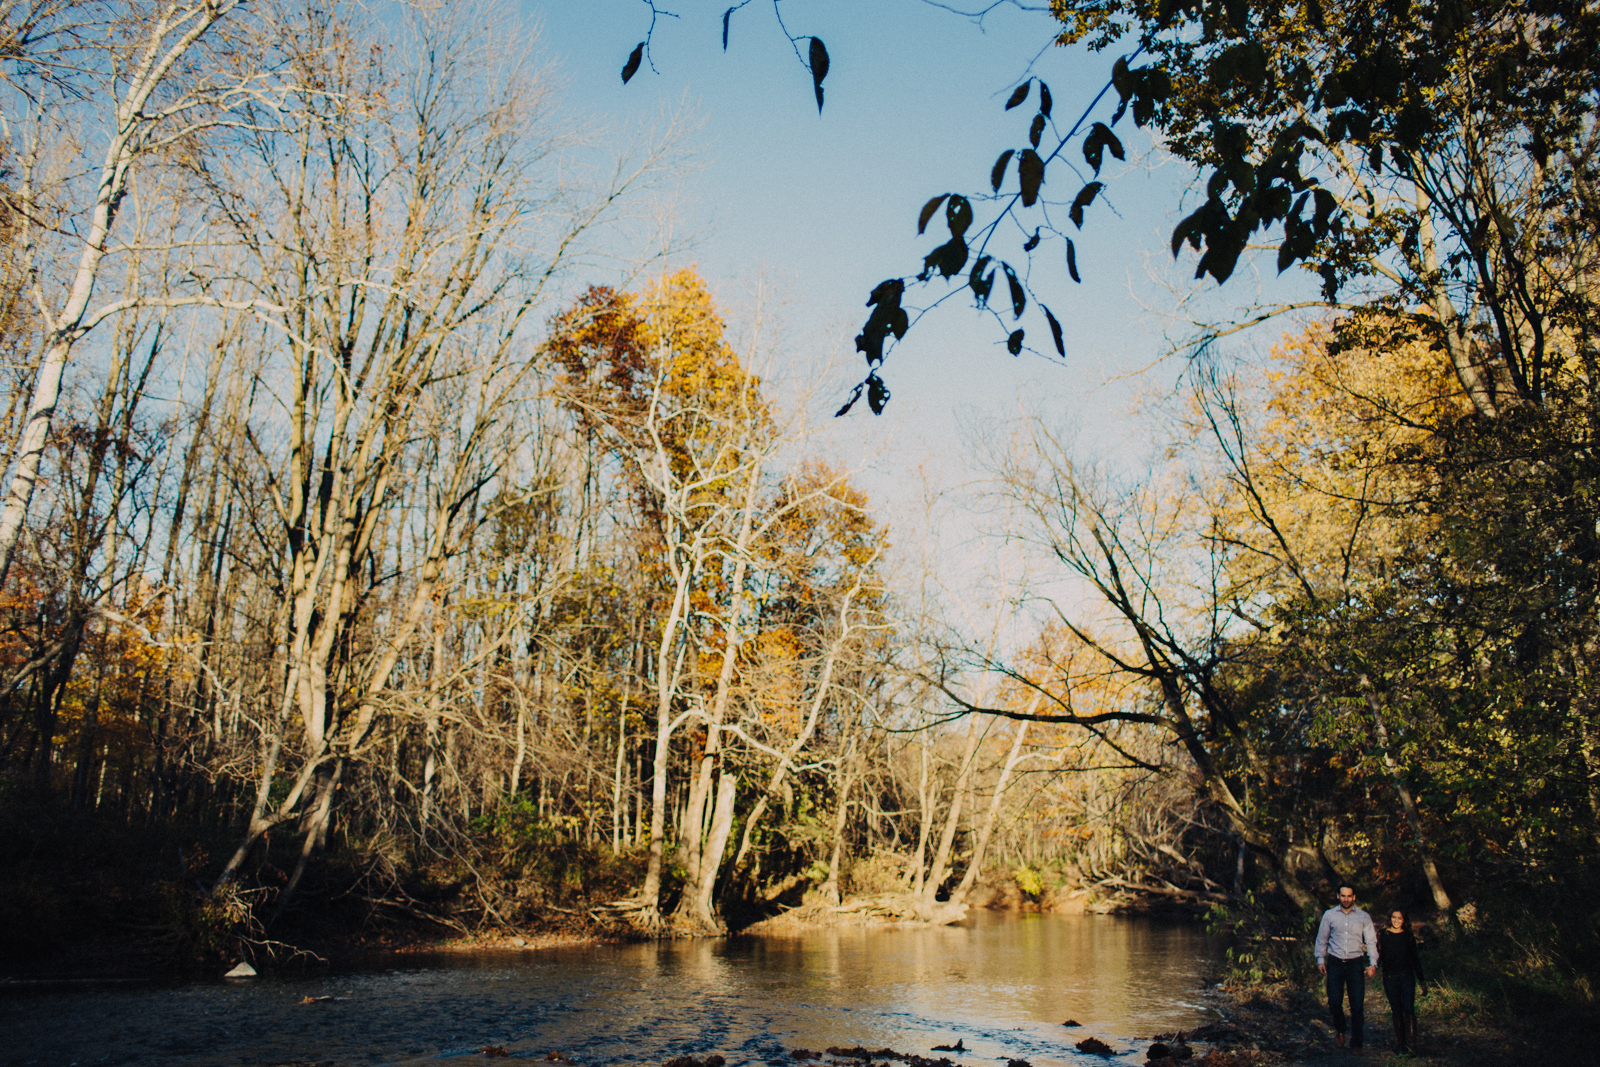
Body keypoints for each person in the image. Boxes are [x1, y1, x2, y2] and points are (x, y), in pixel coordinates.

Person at [1315, 884, 1379, 1050]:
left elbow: (1371, 941)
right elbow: (1322, 938)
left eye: (1349, 896)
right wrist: (1320, 959)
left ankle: (1357, 1041)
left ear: (1354, 897)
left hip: (1355, 963)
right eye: (1343, 896)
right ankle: (1341, 1029)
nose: (1346, 899)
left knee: (1357, 1005)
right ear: (1338, 896)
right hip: (1335, 962)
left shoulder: (1363, 917)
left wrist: (1373, 963)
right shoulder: (1329, 915)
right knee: (1334, 1001)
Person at [1378, 908, 1428, 1053]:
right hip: (1389, 977)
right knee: (1396, 1010)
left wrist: (1422, 981)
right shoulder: (1383, 935)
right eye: (1394, 917)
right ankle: (1401, 1044)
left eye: (1399, 918)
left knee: (1408, 1008)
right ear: (1389, 918)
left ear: (1404, 920)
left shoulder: (1408, 936)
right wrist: (1372, 967)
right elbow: (1377, 955)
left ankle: (1412, 1044)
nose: (1396, 921)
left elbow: (1415, 959)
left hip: (1407, 976)